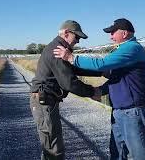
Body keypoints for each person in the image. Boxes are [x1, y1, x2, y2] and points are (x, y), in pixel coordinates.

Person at [53, 18, 145, 160]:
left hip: (133, 111)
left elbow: (101, 64)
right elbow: (118, 79)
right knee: (117, 152)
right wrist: (100, 91)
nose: (110, 36)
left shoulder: (132, 49)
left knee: (141, 154)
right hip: (120, 111)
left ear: (124, 33)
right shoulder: (123, 50)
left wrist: (71, 58)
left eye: (113, 32)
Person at [30, 20, 102, 160]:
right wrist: (92, 92)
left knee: (51, 144)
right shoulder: (57, 50)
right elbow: (69, 82)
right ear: (66, 33)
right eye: (77, 37)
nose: (78, 41)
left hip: (47, 100)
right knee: (54, 148)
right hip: (44, 101)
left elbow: (73, 69)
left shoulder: (60, 48)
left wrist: (100, 72)